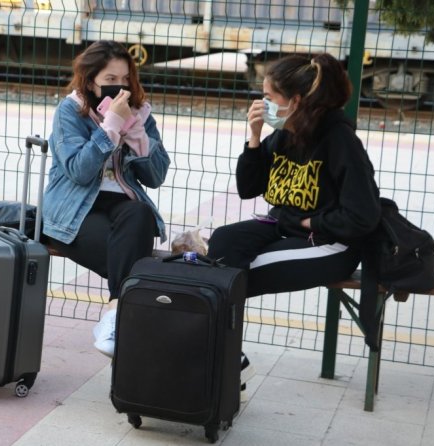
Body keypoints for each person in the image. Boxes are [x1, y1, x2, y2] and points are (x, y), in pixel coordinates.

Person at [207, 53, 382, 395]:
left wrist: (307, 219)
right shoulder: (286, 134)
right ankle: (226, 357)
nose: (262, 104)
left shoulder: (340, 141)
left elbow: (363, 216)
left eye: (268, 97)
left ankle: (220, 362)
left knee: (231, 274)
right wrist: (254, 136)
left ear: (296, 101)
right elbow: (248, 188)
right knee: (224, 243)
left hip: (331, 243)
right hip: (286, 227)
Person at [42, 40, 170, 357]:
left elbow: (155, 177)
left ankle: (114, 314)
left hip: (121, 207)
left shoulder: (140, 113)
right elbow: (79, 172)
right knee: (140, 266)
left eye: (125, 79)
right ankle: (123, 319)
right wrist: (110, 127)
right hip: (73, 210)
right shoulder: (70, 111)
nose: (120, 87)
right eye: (110, 79)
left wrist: (136, 133)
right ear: (91, 81)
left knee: (140, 214)